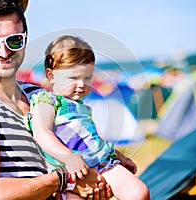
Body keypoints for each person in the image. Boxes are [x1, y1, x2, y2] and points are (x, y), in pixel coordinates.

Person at [0, 0, 120, 199]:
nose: (4, 52)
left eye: (14, 40)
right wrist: (64, 180)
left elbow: (79, 144)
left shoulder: (38, 94)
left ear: (25, 39)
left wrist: (102, 173)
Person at [27, 35, 150, 200]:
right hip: (69, 173)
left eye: (88, 77)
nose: (81, 84)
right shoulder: (47, 101)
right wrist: (69, 158)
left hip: (101, 162)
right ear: (51, 75)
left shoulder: (81, 107)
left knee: (139, 192)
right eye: (73, 78)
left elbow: (93, 140)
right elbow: (41, 132)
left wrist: (118, 155)